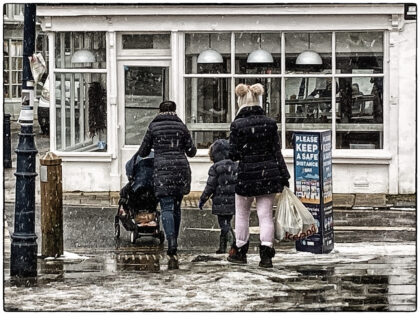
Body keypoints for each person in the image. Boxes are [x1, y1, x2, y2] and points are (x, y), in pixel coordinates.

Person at [228, 83, 290, 268]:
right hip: (268, 174)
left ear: (240, 101)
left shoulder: (237, 125)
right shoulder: (270, 123)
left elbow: (233, 154)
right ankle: (266, 254)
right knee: (265, 215)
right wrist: (283, 175)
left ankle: (240, 249)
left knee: (242, 214)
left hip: (247, 174)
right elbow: (276, 151)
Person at [137, 100, 197, 269]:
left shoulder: (153, 127)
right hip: (180, 169)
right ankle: (174, 240)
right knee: (177, 206)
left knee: (167, 207)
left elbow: (143, 151)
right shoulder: (181, 126)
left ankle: (171, 241)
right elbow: (191, 151)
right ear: (175, 110)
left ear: (159, 110)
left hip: (163, 170)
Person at [198, 139, 238, 254]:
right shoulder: (235, 165)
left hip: (220, 201)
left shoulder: (215, 168)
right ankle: (224, 247)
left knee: (224, 224)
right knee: (227, 222)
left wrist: (203, 199)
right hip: (233, 200)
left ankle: (232, 245)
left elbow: (210, 186)